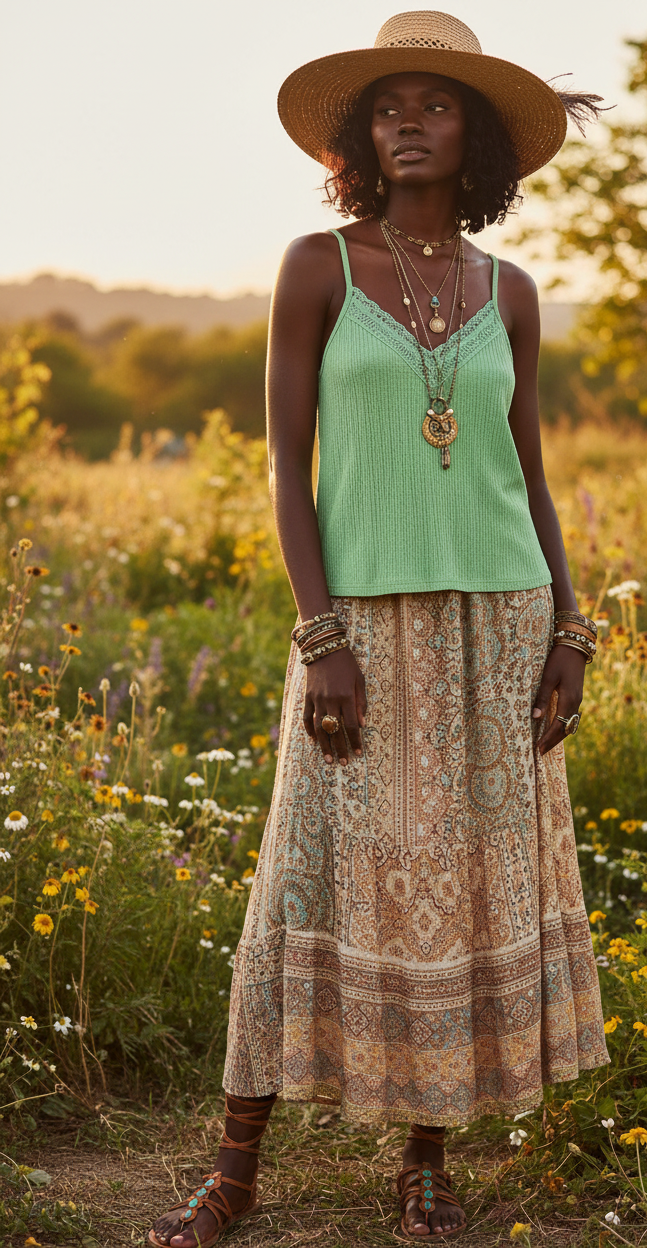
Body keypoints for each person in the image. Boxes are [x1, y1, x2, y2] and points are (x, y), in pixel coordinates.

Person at [148, 11, 610, 1247]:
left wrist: (572, 626)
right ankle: (234, 1167)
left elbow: (530, 469)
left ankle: (425, 1164)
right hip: (362, 625)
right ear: (363, 138)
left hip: (501, 620)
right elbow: (284, 472)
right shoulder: (318, 266)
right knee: (303, 865)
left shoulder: (509, 292)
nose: (409, 121)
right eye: (388, 107)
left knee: (453, 886)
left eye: (436, 105)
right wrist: (321, 635)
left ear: (477, 142)